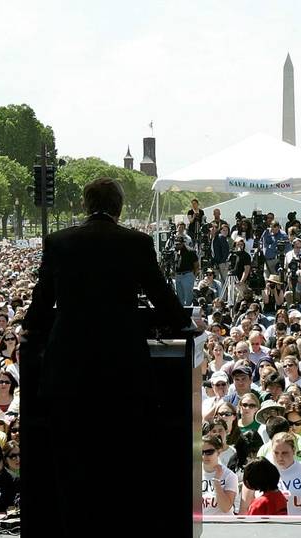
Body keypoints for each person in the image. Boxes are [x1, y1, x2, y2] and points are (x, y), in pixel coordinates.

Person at [21, 177, 191, 530]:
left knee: (72, 468)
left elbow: (41, 303)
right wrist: (183, 325)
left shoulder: (59, 242)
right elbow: (163, 298)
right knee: (122, 464)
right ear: (119, 206)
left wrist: (32, 329)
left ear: (85, 203)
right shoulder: (136, 243)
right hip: (123, 373)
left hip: (68, 374)